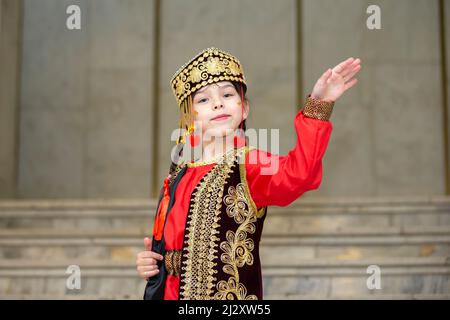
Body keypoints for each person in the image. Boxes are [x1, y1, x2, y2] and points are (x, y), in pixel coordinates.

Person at [136, 47, 361, 300]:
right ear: (189, 117)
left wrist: (319, 105)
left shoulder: (249, 164)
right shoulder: (177, 174)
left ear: (244, 109)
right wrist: (154, 263)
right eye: (203, 99)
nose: (218, 102)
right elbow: (165, 245)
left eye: (227, 94)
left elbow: (300, 174)